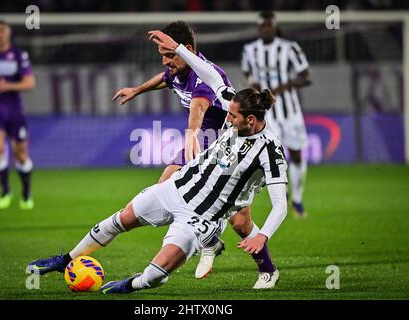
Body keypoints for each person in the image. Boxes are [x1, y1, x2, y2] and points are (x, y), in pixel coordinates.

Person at [27, 84, 288, 294]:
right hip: (175, 188)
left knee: (155, 275)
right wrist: (176, 48)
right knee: (115, 221)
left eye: (232, 116)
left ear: (250, 120)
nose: (227, 120)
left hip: (199, 218)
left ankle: (131, 284)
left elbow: (280, 205)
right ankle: (66, 260)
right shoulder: (235, 112)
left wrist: (262, 235)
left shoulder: (270, 151)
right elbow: (209, 72)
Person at [113, 22, 279, 287]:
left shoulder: (203, 77)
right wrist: (137, 90)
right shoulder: (179, 69)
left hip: (220, 145)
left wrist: (192, 134)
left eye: (169, 55)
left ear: (185, 49)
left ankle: (264, 267)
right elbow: (165, 80)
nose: (165, 62)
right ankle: (210, 239)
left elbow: (198, 108)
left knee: (240, 221)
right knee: (165, 186)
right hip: (205, 143)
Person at [241, 11, 312, 217]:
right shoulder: (249, 50)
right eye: (262, 26)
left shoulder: (290, 48)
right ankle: (281, 199)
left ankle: (297, 199)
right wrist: (252, 82)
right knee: (271, 155)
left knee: (297, 155)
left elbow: (306, 76)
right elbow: (246, 71)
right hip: (266, 113)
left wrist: (286, 85)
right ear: (258, 28)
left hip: (290, 111)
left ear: (275, 26)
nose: (265, 29)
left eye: (268, 25)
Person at [0, 20, 36, 210]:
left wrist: (8, 86)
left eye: (2, 31)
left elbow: (29, 83)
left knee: (20, 154)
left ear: (8, 34)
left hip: (14, 111)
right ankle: (5, 191)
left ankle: (26, 192)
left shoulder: (18, 55)